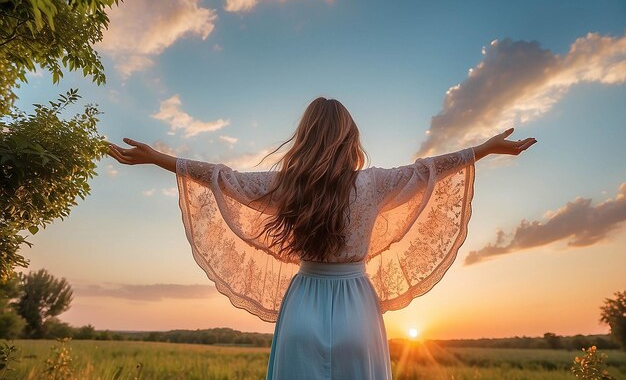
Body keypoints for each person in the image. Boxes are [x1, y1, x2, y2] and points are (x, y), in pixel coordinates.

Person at [108, 97, 537, 379]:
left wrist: (158, 159)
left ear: (305, 138)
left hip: (303, 306)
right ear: (350, 139)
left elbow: (223, 178)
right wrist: (483, 148)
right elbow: (431, 169)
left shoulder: (287, 187)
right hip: (356, 307)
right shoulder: (373, 184)